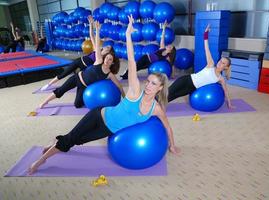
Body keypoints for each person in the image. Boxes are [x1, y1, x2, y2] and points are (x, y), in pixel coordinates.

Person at [28, 15, 179, 175]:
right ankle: (40, 161)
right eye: (148, 81)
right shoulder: (135, 91)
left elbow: (167, 127)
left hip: (107, 130)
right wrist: (128, 35)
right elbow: (132, 61)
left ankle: (55, 144)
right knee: (71, 138)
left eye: (153, 84)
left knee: (77, 140)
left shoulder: (156, 109)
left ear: (160, 88)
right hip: (98, 114)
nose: (148, 85)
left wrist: (172, 145)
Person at [39, 21, 124, 109]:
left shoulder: (109, 74)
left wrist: (125, 98)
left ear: (112, 62)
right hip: (77, 78)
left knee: (77, 105)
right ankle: (44, 102)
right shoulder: (99, 60)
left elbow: (119, 85)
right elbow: (97, 45)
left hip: (84, 86)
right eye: (106, 58)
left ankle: (80, 95)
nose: (107, 60)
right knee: (61, 90)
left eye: (110, 59)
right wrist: (97, 30)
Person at [168, 25, 233, 109]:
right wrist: (206, 34)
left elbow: (225, 91)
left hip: (191, 88)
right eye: (220, 61)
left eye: (223, 63)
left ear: (226, 67)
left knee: (173, 96)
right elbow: (207, 49)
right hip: (187, 80)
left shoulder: (220, 79)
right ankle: (150, 100)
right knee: (168, 91)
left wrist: (229, 103)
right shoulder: (211, 64)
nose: (220, 63)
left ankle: (154, 105)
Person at [40, 15, 112, 91]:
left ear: (108, 53)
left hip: (85, 68)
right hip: (79, 61)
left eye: (108, 48)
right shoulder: (97, 50)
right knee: (64, 73)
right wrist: (90, 24)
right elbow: (91, 36)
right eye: (106, 46)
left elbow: (103, 71)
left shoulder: (103, 60)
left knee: (79, 79)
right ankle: (48, 84)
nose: (106, 47)